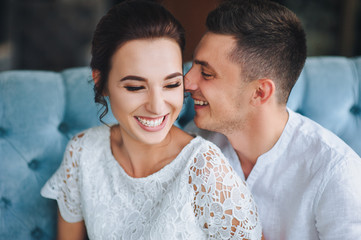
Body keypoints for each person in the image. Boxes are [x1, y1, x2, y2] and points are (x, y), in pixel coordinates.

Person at [40, 1, 263, 239]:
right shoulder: (82, 153)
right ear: (101, 83)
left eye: (172, 84)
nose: (157, 107)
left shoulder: (205, 169)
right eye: (136, 87)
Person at [184, 0, 361, 239]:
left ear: (259, 93)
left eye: (206, 73)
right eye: (194, 66)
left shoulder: (336, 172)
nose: (187, 82)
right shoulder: (196, 138)